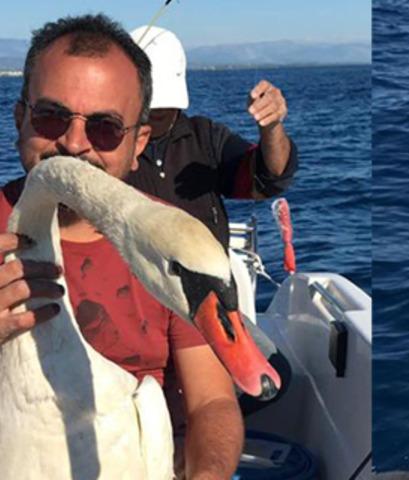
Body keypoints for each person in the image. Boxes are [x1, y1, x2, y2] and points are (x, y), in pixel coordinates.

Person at [1, 14, 242, 479]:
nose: (73, 144)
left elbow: (212, 400)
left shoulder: (169, 249)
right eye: (51, 116)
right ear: (19, 119)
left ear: (138, 144)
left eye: (106, 127)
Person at [127, 25, 298, 249]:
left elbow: (269, 178)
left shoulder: (205, 137)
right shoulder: (106, 145)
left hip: (209, 280)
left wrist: (272, 126)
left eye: (162, 104)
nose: (155, 112)